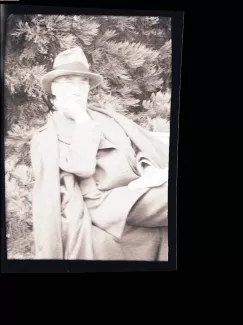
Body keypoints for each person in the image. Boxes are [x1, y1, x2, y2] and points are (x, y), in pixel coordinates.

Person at [30, 46, 169, 261]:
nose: (77, 90)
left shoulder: (105, 117)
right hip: (105, 202)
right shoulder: (47, 137)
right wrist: (82, 121)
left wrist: (148, 171)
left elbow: (137, 147)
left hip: (138, 186)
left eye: (83, 82)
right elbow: (82, 166)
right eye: (68, 82)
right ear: (54, 89)